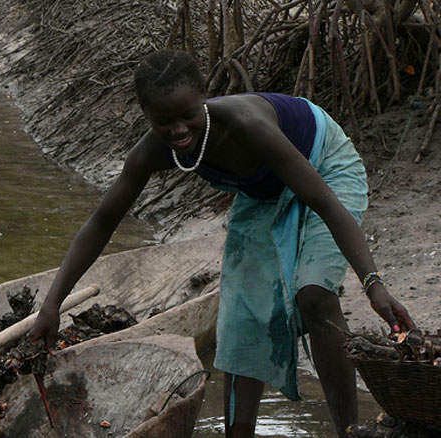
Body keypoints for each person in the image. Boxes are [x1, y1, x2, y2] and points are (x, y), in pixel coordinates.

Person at [30, 49, 415, 437]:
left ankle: (349, 431)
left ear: (204, 95)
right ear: (146, 115)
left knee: (313, 294)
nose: (178, 130)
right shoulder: (151, 151)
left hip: (324, 167)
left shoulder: (247, 124)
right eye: (164, 122)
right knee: (239, 320)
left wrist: (374, 285)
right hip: (262, 193)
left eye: (187, 115)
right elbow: (101, 223)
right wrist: (51, 305)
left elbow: (323, 202)